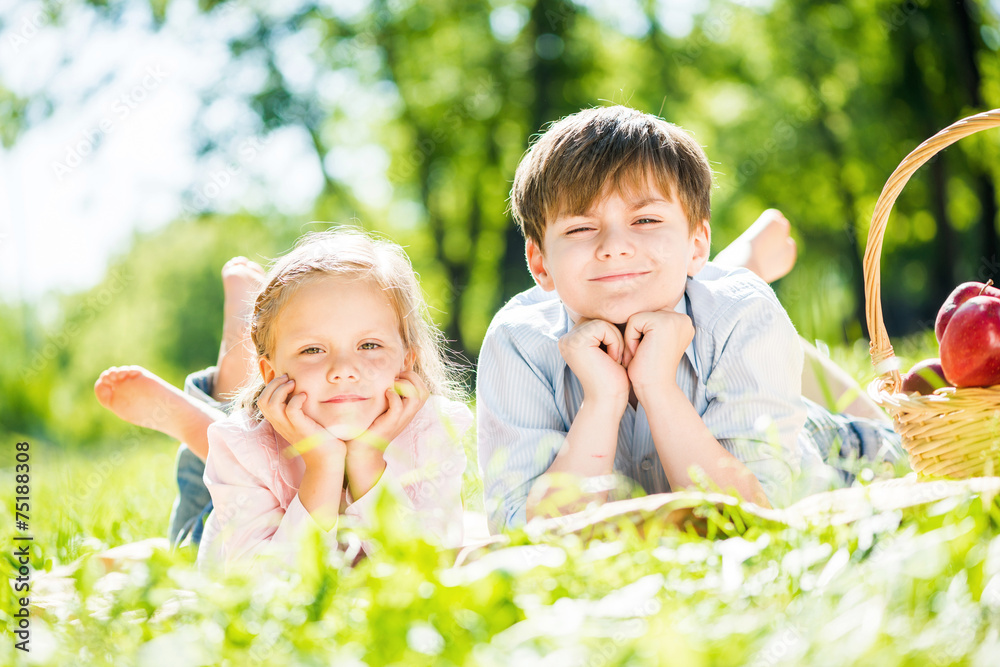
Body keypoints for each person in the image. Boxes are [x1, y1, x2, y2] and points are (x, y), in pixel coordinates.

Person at [476, 105, 901, 534]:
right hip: (729, 364)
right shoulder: (518, 341)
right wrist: (602, 401)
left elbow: (758, 518)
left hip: (833, 452)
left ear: (698, 244)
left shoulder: (743, 313)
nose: (614, 246)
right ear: (540, 263)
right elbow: (522, 536)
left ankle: (739, 266)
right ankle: (742, 258)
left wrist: (657, 387)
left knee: (916, 451)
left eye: (645, 219)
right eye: (581, 228)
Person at [97, 228, 472, 571]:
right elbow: (262, 586)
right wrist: (322, 466)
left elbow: (423, 566)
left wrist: (367, 459)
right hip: (219, 526)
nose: (343, 369)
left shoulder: (434, 432)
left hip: (244, 465)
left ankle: (218, 391)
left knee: (226, 434)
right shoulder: (242, 449)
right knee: (181, 550)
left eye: (369, 345)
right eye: (313, 350)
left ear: (408, 361)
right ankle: (226, 375)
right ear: (271, 374)